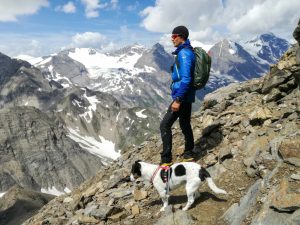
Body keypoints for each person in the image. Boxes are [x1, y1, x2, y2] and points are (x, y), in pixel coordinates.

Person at [160, 25, 196, 166]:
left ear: (182, 37)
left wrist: (178, 99)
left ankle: (166, 160)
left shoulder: (184, 54)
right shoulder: (185, 51)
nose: (172, 38)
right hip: (187, 94)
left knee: (165, 125)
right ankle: (188, 154)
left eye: (174, 36)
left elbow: (186, 78)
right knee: (185, 124)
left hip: (182, 95)